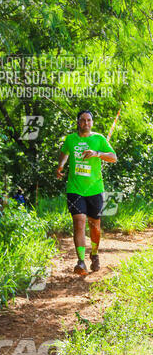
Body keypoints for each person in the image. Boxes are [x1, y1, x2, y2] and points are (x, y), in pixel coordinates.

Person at [56, 110, 117, 275]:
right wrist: (61, 165)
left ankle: (95, 254)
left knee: (95, 226)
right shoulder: (71, 139)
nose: (86, 123)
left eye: (89, 120)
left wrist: (97, 154)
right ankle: (81, 262)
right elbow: (64, 153)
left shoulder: (99, 139)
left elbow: (113, 157)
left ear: (92, 122)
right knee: (79, 223)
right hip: (75, 189)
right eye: (82, 120)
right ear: (78, 122)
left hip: (95, 189)